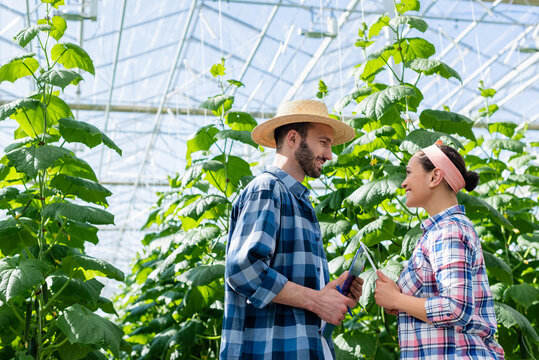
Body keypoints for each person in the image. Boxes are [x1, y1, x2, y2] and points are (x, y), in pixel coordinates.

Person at [220, 99, 364, 360]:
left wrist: (330, 294)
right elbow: (243, 269)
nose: (330, 155)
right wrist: (317, 301)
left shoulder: (299, 201)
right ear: (294, 138)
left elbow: (296, 289)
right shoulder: (268, 189)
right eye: (324, 142)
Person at [374, 141, 505, 359]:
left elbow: (456, 308)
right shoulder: (441, 231)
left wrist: (397, 300)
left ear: (434, 177)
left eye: (409, 173)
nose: (404, 183)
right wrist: (400, 301)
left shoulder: (448, 231)